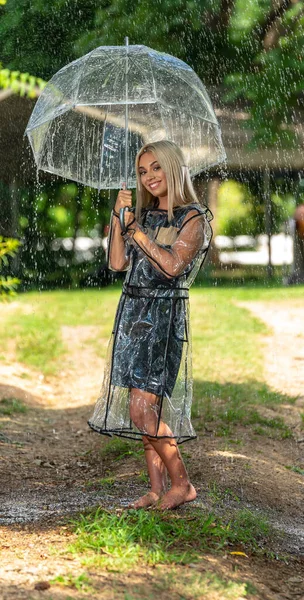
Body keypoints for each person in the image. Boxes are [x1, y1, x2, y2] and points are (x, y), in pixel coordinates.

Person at [88, 140, 213, 510]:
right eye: (143, 171)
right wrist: (118, 217)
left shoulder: (193, 218)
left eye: (156, 167)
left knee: (145, 409)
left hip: (162, 317)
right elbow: (116, 263)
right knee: (140, 409)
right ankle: (157, 488)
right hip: (132, 314)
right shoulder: (140, 215)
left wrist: (137, 232)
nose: (149, 176)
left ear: (173, 167)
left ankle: (183, 484)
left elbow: (172, 266)